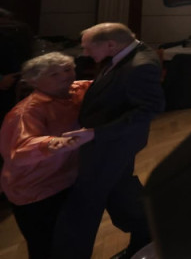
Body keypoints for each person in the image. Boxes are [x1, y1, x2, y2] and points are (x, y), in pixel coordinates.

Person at [52, 23, 165, 259]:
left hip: (112, 143)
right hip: (112, 142)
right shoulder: (128, 54)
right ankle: (149, 234)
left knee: (84, 205)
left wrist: (96, 133)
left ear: (111, 44)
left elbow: (149, 110)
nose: (84, 53)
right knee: (121, 192)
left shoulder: (140, 65)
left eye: (88, 48)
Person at [0, 52, 94, 259]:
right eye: (54, 74)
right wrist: (56, 143)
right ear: (34, 81)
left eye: (68, 69)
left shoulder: (77, 90)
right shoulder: (26, 111)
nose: (65, 76)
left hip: (66, 180)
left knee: (69, 241)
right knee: (45, 246)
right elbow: (19, 151)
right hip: (35, 189)